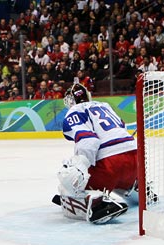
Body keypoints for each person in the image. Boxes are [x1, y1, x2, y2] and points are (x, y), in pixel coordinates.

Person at [54, 83, 152, 224]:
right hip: (135, 162)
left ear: (70, 100)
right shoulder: (104, 106)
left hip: (109, 167)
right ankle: (139, 190)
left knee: (68, 178)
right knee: (122, 175)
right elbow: (121, 127)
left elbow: (89, 141)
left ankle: (94, 203)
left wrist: (80, 170)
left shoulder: (74, 112)